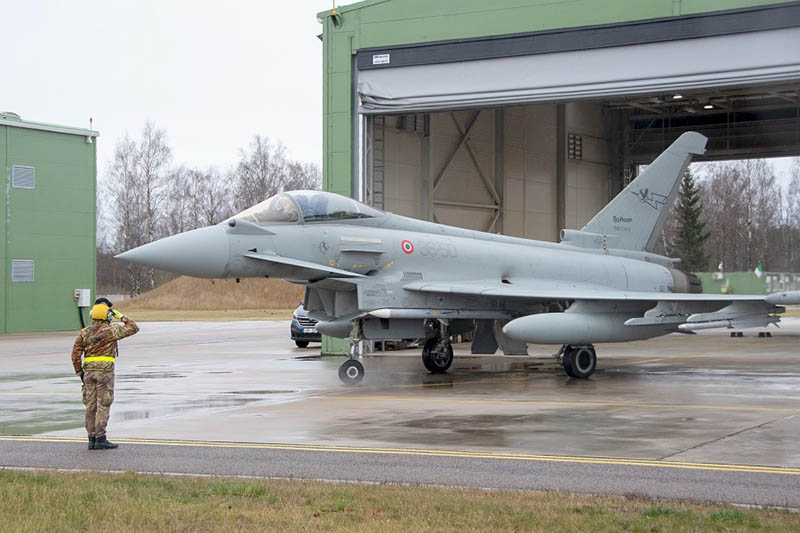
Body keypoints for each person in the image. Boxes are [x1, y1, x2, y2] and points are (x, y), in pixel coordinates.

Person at [70, 297, 139, 450]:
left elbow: (75, 355)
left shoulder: (84, 332)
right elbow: (134, 327)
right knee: (103, 404)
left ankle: (91, 439)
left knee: (90, 406)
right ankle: (101, 438)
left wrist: (80, 373)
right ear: (107, 316)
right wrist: (121, 316)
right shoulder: (112, 330)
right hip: (105, 372)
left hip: (88, 373)